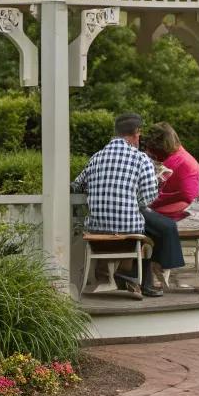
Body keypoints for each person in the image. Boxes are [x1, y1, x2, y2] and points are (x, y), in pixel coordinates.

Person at [71, 113, 163, 300]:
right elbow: (149, 197)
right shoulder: (141, 159)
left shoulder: (96, 158)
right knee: (153, 230)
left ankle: (120, 276)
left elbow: (76, 185)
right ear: (136, 133)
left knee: (141, 225)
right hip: (128, 238)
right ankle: (133, 277)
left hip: (96, 236)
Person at [142, 122, 199, 289]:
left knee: (145, 222)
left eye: (152, 148)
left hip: (189, 212)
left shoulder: (181, 161)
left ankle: (154, 267)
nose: (149, 152)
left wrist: (152, 205)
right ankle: (154, 268)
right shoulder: (177, 158)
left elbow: (187, 196)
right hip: (179, 208)